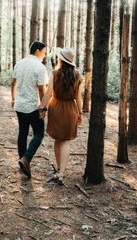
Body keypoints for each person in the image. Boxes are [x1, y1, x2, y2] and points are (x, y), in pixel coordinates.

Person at [39, 47, 82, 184]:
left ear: (61, 59)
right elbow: (78, 97)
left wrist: (42, 107)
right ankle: (60, 171)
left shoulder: (54, 73)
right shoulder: (78, 76)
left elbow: (48, 93)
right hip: (71, 109)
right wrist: (80, 112)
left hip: (56, 107)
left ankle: (60, 171)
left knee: (59, 139)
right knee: (65, 140)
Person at [11, 41, 48, 178]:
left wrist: (13, 99)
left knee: (22, 133)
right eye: (44, 52)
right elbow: (41, 89)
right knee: (38, 133)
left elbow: (13, 82)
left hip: (20, 106)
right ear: (38, 51)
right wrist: (43, 107)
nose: (44, 55)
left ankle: (23, 163)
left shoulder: (19, 63)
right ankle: (26, 159)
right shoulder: (40, 67)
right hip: (33, 106)